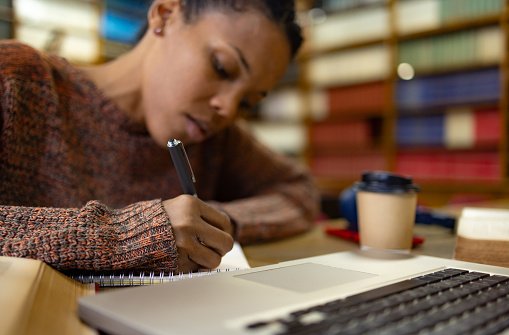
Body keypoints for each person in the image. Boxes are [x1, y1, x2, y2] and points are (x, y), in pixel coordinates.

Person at [0, 0, 319, 274]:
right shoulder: (17, 79)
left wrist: (215, 225)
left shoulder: (216, 137)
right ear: (165, 15)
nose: (228, 107)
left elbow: (299, 190)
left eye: (248, 102)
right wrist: (128, 234)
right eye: (222, 67)